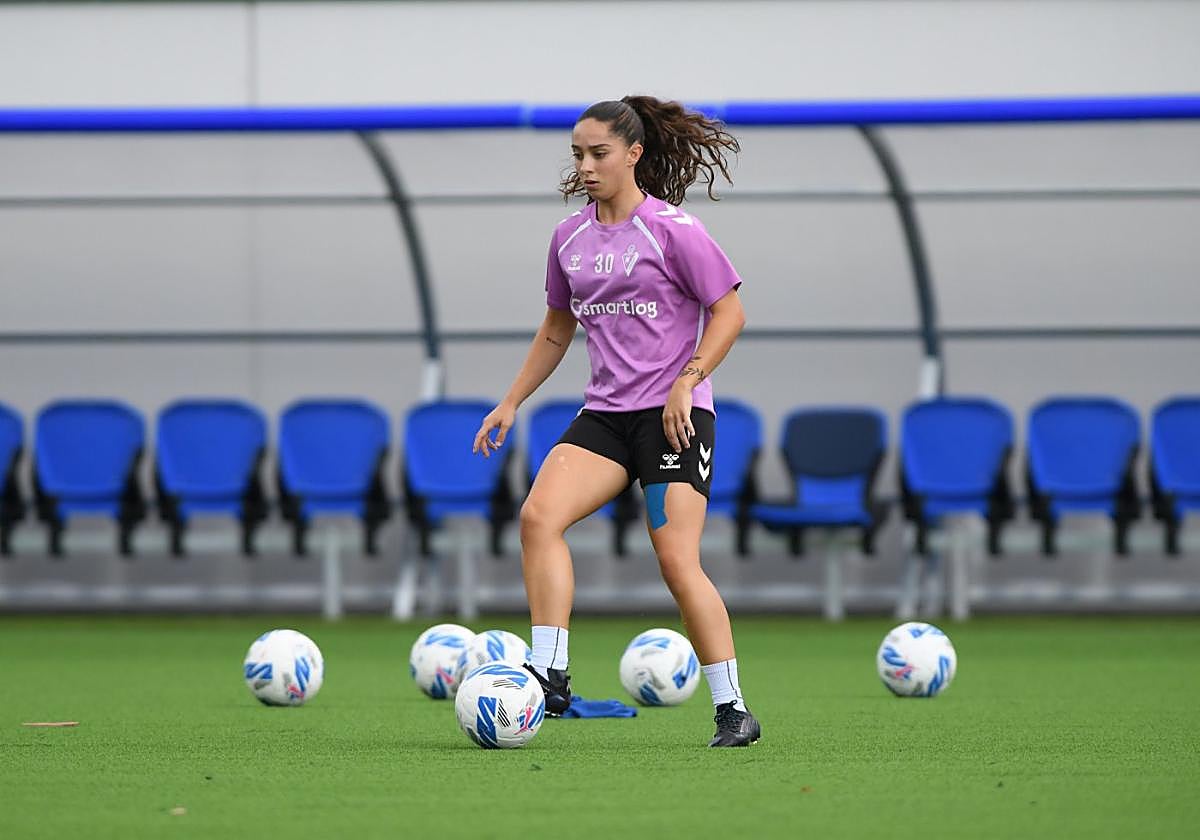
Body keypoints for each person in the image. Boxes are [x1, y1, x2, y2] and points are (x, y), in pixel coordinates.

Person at [472, 95, 759, 747]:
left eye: (599, 153)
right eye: (578, 153)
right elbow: (555, 329)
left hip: (673, 420)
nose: (587, 165)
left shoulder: (673, 230)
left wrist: (688, 381)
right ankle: (548, 673)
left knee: (676, 560)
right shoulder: (568, 238)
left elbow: (730, 312)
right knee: (538, 518)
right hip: (605, 417)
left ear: (633, 154)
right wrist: (510, 400)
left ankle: (733, 708)